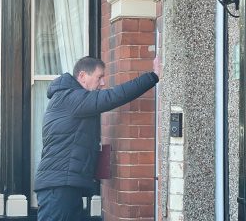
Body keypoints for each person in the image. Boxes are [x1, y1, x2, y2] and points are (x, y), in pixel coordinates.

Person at [34, 56, 159, 221]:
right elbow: (113, 97)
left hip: (65, 186)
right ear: (83, 76)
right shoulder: (71, 98)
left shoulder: (68, 98)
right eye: (99, 77)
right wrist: (153, 76)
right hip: (59, 189)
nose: (102, 83)